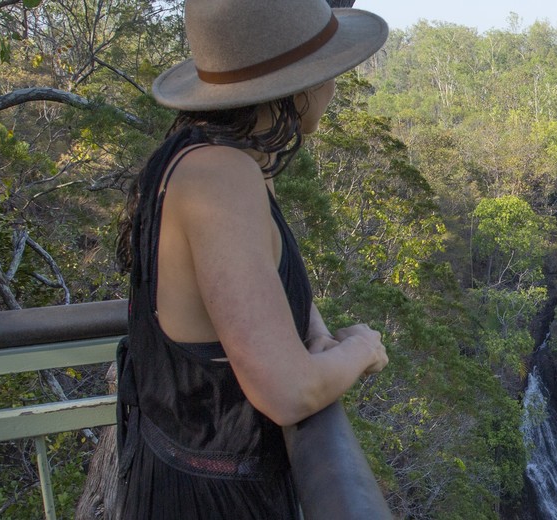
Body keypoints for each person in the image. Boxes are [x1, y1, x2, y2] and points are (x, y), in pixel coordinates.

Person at [113, 1, 389, 517]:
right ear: (296, 85)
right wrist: (362, 351)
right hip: (214, 501)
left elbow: (257, 294)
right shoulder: (222, 176)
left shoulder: (194, 156)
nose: (333, 87)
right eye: (328, 72)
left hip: (178, 475)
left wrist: (319, 336)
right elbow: (288, 391)